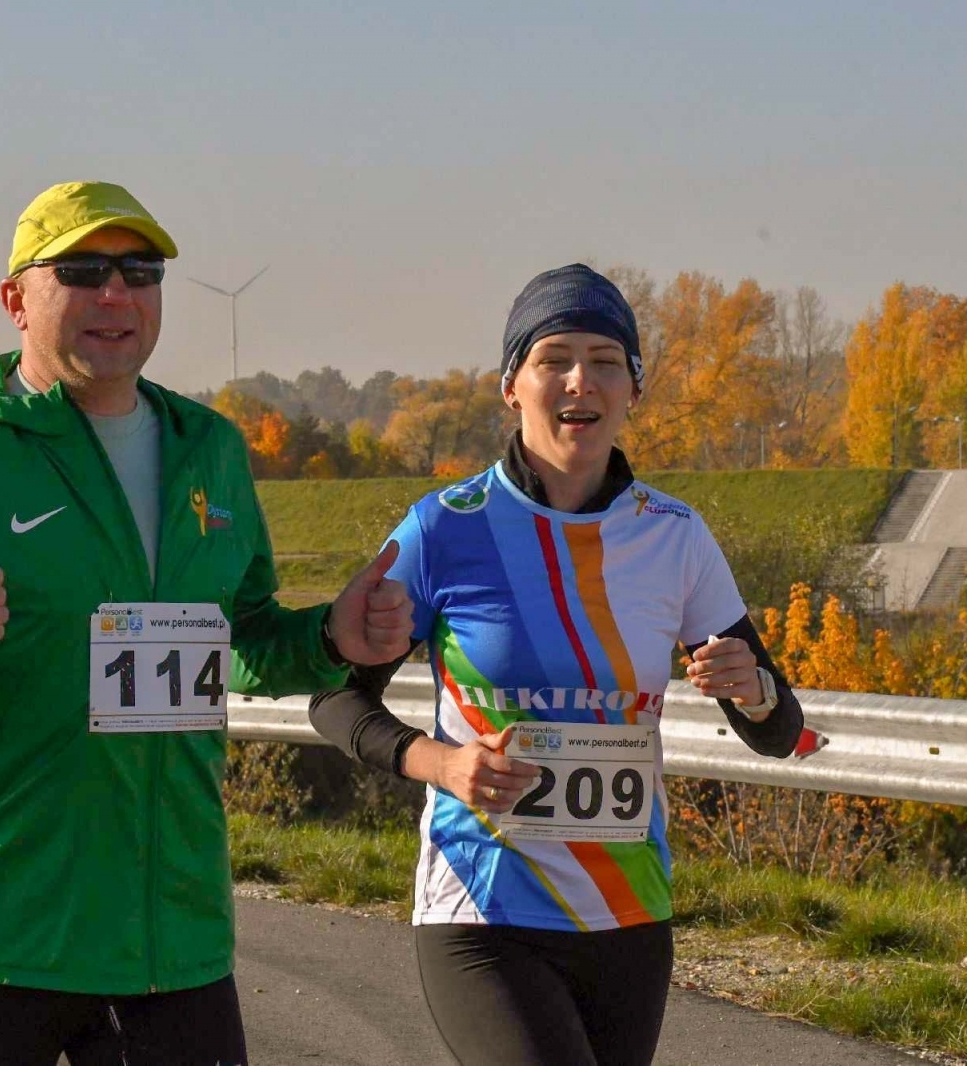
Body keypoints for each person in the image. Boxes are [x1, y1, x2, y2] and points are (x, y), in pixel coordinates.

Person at [0, 180, 413, 1066]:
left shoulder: (211, 449)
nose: (116, 294)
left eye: (141, 270)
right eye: (83, 270)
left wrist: (330, 641)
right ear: (16, 300)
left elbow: (240, 639)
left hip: (173, 936)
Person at [309, 264, 804, 1066]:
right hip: (483, 907)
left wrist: (752, 693)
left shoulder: (675, 536)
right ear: (512, 385)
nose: (582, 381)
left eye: (607, 361)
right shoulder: (443, 529)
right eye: (554, 359)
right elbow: (333, 700)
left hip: (628, 914)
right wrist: (443, 764)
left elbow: (781, 730)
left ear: (634, 388)